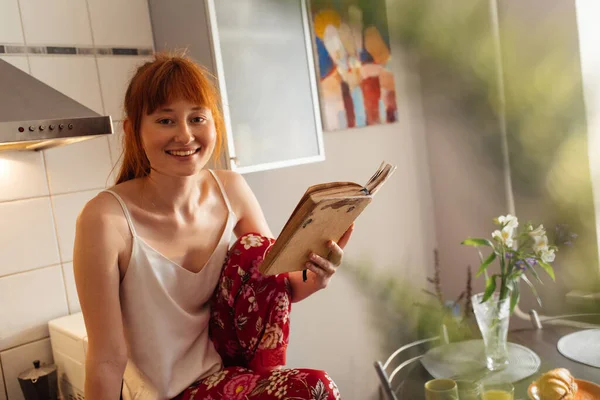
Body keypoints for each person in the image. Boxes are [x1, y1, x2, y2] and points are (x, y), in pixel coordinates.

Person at [73, 52, 354, 400]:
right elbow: (106, 359)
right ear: (133, 130)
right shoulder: (105, 220)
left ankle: (268, 375)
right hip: (163, 393)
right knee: (315, 388)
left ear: (214, 123)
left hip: (232, 376)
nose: (185, 135)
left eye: (196, 118)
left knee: (260, 251)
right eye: (165, 121)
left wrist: (318, 276)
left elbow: (276, 288)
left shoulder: (231, 189)